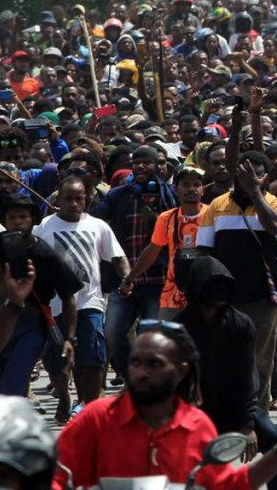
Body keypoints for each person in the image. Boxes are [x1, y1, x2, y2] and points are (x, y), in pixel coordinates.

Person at [53, 322, 277, 490]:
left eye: (154, 364)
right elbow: (54, 477)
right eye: (135, 363)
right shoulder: (96, 419)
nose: (141, 372)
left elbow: (228, 485)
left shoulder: (197, 427)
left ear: (181, 371)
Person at [176, 256, 277, 490]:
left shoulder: (241, 324)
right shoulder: (179, 330)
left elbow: (247, 376)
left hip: (235, 406)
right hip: (193, 411)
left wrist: (248, 426)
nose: (216, 298)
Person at [197, 150, 277, 412]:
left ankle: (256, 416)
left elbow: (275, 227)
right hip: (225, 298)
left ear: (265, 178)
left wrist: (256, 194)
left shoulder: (274, 202)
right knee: (226, 357)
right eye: (243, 174)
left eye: (256, 175)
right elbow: (204, 251)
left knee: (260, 360)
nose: (248, 179)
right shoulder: (216, 205)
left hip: (263, 294)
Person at [35, 176, 129, 419]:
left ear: (86, 199)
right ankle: (64, 394)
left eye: (79, 199)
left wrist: (127, 278)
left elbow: (117, 257)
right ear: (58, 199)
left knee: (92, 355)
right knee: (56, 359)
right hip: (54, 305)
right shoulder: (44, 227)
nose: (74, 203)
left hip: (90, 303)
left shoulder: (98, 226)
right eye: (69, 198)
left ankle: (88, 406)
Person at [0, 194, 82, 397]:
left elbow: (69, 297)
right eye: (12, 217)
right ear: (4, 221)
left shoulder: (46, 255)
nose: (17, 222)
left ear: (32, 219)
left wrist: (69, 338)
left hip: (30, 326)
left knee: (13, 385)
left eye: (22, 216)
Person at [92, 144, 177, 384]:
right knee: (112, 332)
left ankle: (148, 379)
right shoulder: (118, 195)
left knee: (152, 336)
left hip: (158, 279)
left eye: (146, 162)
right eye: (136, 162)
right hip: (124, 278)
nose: (140, 166)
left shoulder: (170, 195)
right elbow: (95, 218)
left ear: (158, 166)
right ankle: (130, 373)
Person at [120, 165, 208, 320]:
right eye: (186, 185)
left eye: (196, 185)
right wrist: (130, 279)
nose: (191, 189)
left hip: (206, 293)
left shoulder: (212, 214)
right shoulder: (166, 218)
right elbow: (153, 250)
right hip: (173, 296)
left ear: (203, 190)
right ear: (175, 189)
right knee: (167, 341)